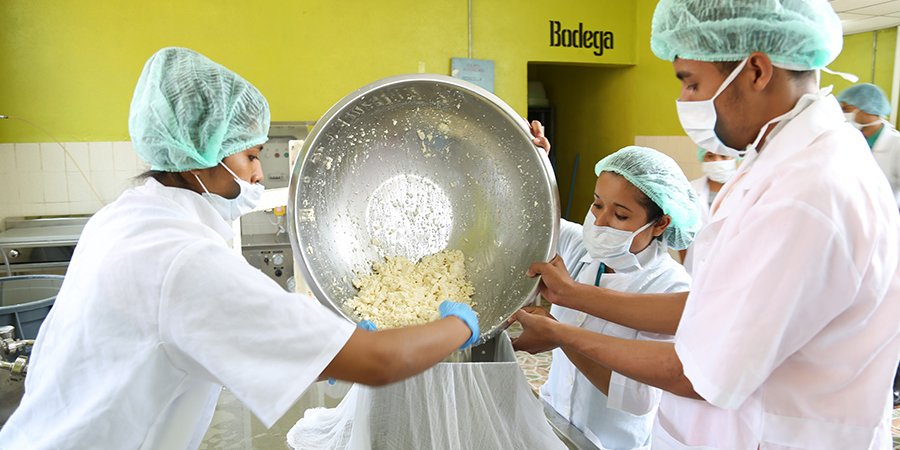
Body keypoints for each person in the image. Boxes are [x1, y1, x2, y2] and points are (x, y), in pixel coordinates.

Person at [0, 47, 479, 449]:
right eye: (250, 154)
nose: (256, 174)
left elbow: (181, 339)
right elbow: (379, 362)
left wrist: (309, 353)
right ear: (199, 151)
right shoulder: (183, 258)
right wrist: (458, 324)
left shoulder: (124, 217)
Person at [513, 1, 900, 449]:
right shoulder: (781, 161)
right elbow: (710, 305)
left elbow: (697, 372)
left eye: (691, 82)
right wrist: (575, 296)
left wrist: (561, 332)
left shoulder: (811, 193)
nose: (685, 101)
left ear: (755, 70)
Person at [525, 145, 699, 450]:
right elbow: (531, 213)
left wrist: (561, 336)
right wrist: (532, 154)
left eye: (620, 214)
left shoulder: (671, 288)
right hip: (555, 423)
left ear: (660, 224)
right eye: (597, 204)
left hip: (613, 442)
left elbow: (636, 397)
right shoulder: (582, 249)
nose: (601, 222)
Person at [838, 82, 900, 209]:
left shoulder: (896, 145)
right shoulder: (849, 139)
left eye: (846, 109)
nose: (843, 114)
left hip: (887, 220)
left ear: (868, 109)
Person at [677, 148, 737, 270]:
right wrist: (687, 264)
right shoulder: (689, 190)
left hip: (734, 268)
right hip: (695, 269)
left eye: (723, 156)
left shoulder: (745, 190)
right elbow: (682, 235)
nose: (716, 161)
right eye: (710, 156)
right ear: (702, 157)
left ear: (735, 158)